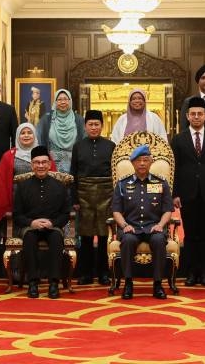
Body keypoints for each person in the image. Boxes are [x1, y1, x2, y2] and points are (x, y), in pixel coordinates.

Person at [172, 96, 205, 287]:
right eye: (192, 114)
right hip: (187, 193)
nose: (196, 117)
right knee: (190, 234)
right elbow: (174, 169)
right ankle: (190, 273)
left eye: (199, 114)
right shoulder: (178, 139)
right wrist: (175, 194)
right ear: (187, 116)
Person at [111, 144, 174, 300]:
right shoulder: (122, 184)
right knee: (128, 240)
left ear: (151, 162)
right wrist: (124, 226)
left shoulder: (160, 183)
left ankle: (158, 284)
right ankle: (128, 283)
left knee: (159, 240)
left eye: (146, 160)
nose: (142, 164)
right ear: (132, 163)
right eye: (138, 160)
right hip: (131, 227)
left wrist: (160, 225)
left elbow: (168, 210)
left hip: (153, 227)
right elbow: (116, 210)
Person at [14, 146, 71, 298]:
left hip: (53, 227)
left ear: (49, 164)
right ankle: (32, 282)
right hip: (30, 227)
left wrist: (52, 223)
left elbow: (66, 214)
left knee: (56, 238)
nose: (40, 166)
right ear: (31, 165)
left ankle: (54, 283)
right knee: (30, 238)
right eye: (37, 163)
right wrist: (31, 223)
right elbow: (17, 215)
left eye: (44, 162)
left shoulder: (59, 186)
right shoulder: (22, 187)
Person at [70, 109, 116, 285]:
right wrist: (74, 199)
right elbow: (73, 174)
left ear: (102, 126)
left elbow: (115, 173)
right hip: (84, 194)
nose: (94, 127)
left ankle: (104, 272)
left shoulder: (111, 146)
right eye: (91, 124)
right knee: (86, 236)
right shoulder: (78, 146)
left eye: (97, 124)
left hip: (106, 194)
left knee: (105, 235)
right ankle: (85, 273)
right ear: (85, 126)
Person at [0, 123, 55, 233]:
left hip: (41, 200)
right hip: (17, 203)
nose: (26, 135)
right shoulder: (8, 156)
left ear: (35, 135)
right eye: (23, 133)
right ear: (17, 136)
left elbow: (54, 179)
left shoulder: (44, 155)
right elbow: (1, 183)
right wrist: (5, 207)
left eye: (29, 133)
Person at [36, 88, 84, 173]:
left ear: (70, 101)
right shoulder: (46, 119)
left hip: (74, 164)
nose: (63, 102)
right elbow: (39, 139)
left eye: (65, 99)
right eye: (59, 99)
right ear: (55, 102)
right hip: (51, 165)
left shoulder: (79, 120)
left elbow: (84, 141)